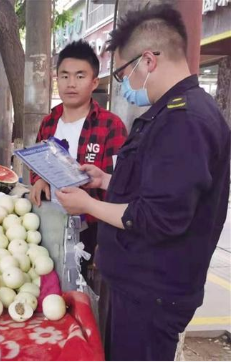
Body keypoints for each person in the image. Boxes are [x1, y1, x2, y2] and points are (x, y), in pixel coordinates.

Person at [55, 4, 231, 361]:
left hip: (151, 296)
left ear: (148, 60)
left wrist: (88, 205)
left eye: (122, 73)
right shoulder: (169, 113)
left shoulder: (185, 121)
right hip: (138, 288)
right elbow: (157, 185)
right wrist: (106, 180)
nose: (124, 85)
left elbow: (159, 216)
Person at [29, 40, 127, 279]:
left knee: (84, 299)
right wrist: (39, 180)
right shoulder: (49, 123)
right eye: (64, 76)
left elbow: (121, 185)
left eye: (80, 76)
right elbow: (38, 164)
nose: (71, 84)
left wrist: (104, 240)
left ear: (94, 82)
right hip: (48, 226)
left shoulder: (110, 124)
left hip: (91, 231)